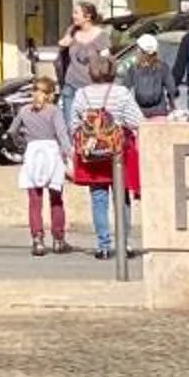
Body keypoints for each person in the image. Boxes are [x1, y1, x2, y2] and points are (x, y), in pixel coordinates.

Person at [66, 51, 145, 259]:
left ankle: (103, 245)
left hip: (93, 154)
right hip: (118, 152)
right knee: (122, 199)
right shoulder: (121, 93)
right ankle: (124, 243)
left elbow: (74, 125)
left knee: (98, 198)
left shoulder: (81, 94)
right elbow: (137, 121)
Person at [11, 70, 71, 257]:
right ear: (51, 95)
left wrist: (22, 144)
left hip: (33, 152)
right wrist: (68, 154)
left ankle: (37, 239)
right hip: (51, 152)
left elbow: (12, 131)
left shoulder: (24, 111)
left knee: (34, 200)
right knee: (56, 198)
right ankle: (58, 238)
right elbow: (62, 135)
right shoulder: (54, 111)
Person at [124, 32, 176, 122]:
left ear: (140, 50)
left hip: (139, 114)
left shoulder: (133, 69)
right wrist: (172, 106)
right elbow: (172, 89)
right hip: (160, 112)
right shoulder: (162, 67)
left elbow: (125, 89)